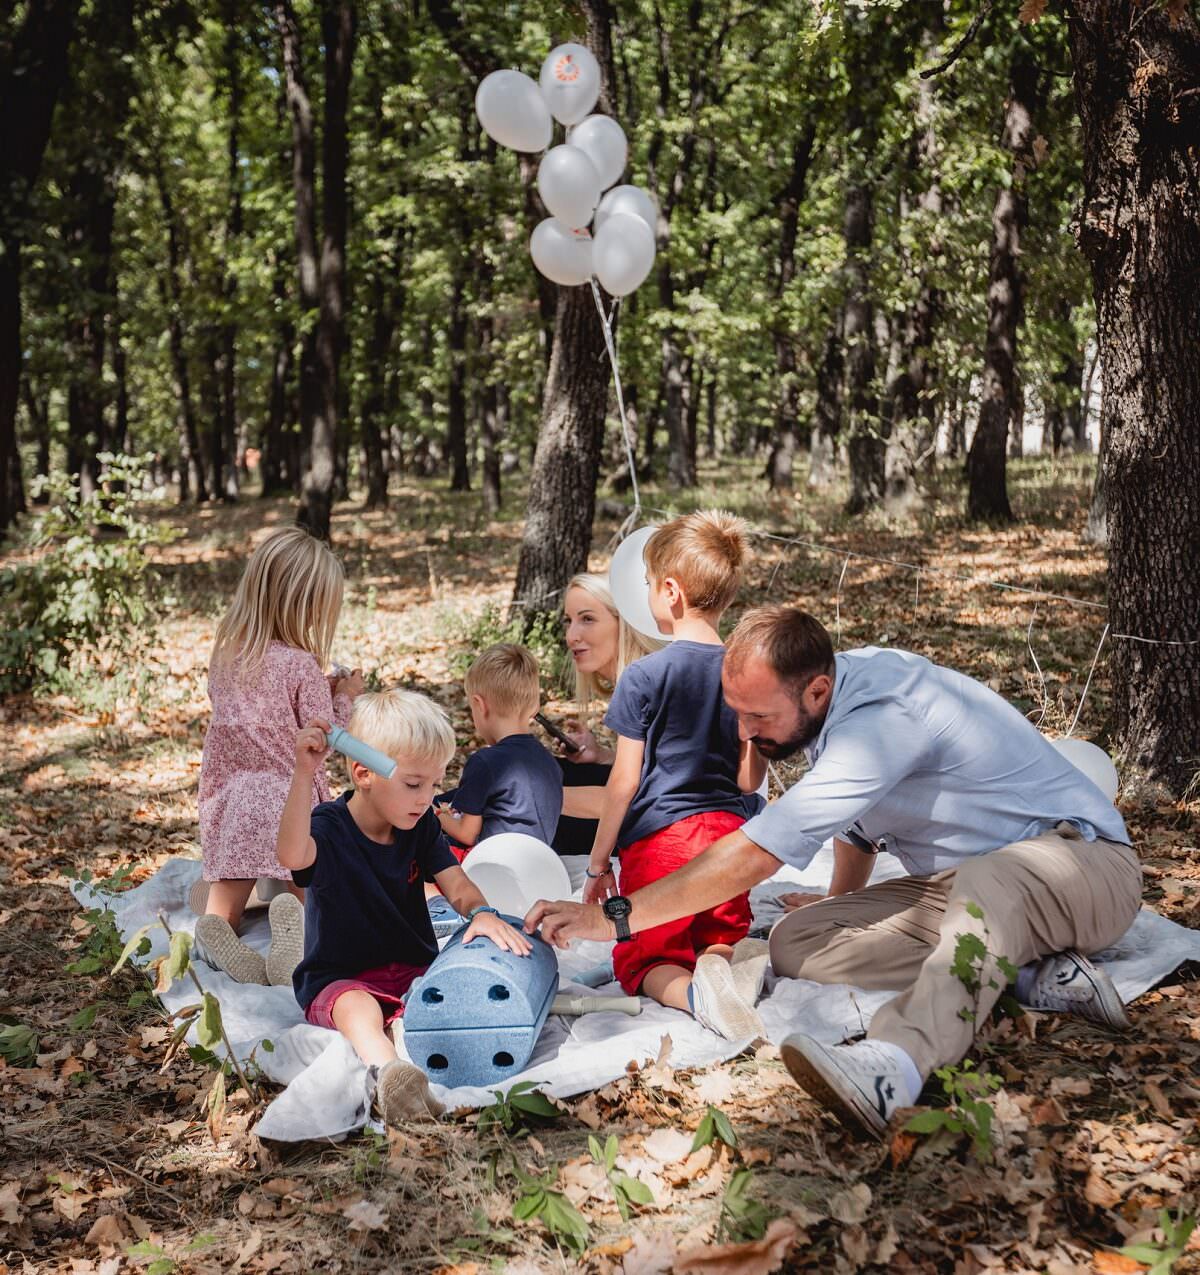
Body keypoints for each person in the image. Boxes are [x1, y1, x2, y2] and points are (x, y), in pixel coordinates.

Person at [527, 605, 1141, 1138]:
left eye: (757, 718)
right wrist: (835, 905)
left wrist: (613, 920)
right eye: (736, 713)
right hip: (961, 890)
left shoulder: (884, 717)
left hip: (1079, 865)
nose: (743, 732)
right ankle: (1028, 971)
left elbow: (756, 853)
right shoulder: (828, 703)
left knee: (989, 883)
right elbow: (856, 831)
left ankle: (894, 1065)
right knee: (797, 941)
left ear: (816, 692)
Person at [277, 688, 532, 1126]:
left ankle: (407, 1038)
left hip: (414, 970)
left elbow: (456, 883)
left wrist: (482, 913)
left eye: (434, 784)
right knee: (360, 1009)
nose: (426, 798)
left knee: (443, 997)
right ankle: (391, 1075)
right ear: (364, 773)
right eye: (414, 785)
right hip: (341, 977)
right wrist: (303, 774)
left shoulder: (421, 824)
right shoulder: (329, 827)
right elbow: (291, 854)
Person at [583, 510, 768, 1040]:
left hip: (663, 845)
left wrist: (597, 864)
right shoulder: (745, 672)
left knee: (645, 959)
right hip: (730, 841)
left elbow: (623, 783)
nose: (644, 594)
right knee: (717, 935)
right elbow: (748, 782)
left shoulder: (643, 675)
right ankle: (722, 971)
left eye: (647, 583)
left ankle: (696, 997)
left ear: (671, 591)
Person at [196, 526, 364, 985]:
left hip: (233, 798)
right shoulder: (301, 665)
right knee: (314, 893)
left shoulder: (227, 654)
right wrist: (345, 696)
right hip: (289, 801)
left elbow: (255, 715)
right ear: (303, 606)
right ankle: (302, 938)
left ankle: (214, 933)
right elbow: (322, 737)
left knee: (226, 896)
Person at [550, 574, 662, 885]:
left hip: (660, 829)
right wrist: (603, 756)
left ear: (623, 623)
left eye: (587, 619)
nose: (572, 635)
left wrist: (528, 796)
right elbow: (654, 767)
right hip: (648, 813)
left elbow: (633, 795)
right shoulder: (638, 680)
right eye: (569, 621)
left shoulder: (645, 685)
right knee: (551, 770)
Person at [435, 644, 563, 851]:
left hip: (494, 863)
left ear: (480, 705)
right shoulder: (548, 761)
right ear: (534, 707)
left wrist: (435, 813)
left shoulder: (485, 762)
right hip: (541, 862)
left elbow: (467, 834)